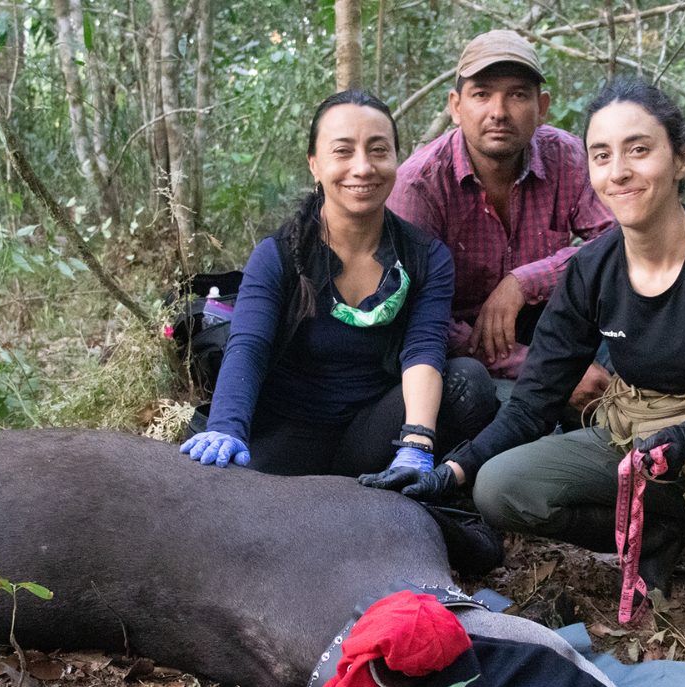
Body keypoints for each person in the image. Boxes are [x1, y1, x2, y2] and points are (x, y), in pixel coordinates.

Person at [362, 77, 685, 675]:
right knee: (501, 487)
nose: (619, 171)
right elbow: (533, 402)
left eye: (639, 150)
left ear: (682, 158)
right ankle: (661, 531)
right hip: (637, 446)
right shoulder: (591, 271)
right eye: (602, 155)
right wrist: (453, 469)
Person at [181, 90, 497, 479]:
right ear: (314, 164)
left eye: (378, 150)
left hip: (373, 434)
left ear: (397, 159)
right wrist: (226, 426)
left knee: (469, 381)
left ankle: (436, 482)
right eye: (343, 151)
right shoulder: (278, 255)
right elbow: (249, 346)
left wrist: (416, 443)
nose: (363, 167)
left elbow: (422, 353)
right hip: (289, 432)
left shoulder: (425, 256)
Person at [387, 31, 615, 409]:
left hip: (548, 324)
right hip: (460, 353)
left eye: (517, 94)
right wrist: (546, 369)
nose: (499, 111)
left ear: (542, 107)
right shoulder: (419, 186)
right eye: (482, 94)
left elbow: (622, 242)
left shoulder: (567, 156)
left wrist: (524, 282)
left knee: (632, 318)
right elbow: (413, 317)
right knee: (482, 397)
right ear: (456, 106)